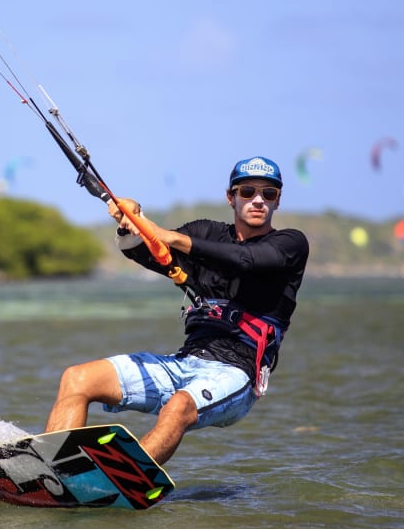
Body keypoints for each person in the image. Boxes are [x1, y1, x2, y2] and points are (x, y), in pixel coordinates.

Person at [45, 156, 309, 465]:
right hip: (183, 362)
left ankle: (125, 475)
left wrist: (171, 236)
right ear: (231, 197)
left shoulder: (290, 244)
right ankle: (53, 468)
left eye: (269, 194)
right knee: (77, 378)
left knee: (178, 407)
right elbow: (148, 252)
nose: (258, 200)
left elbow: (246, 259)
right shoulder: (204, 232)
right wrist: (130, 223)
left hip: (236, 373)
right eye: (247, 191)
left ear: (278, 201)